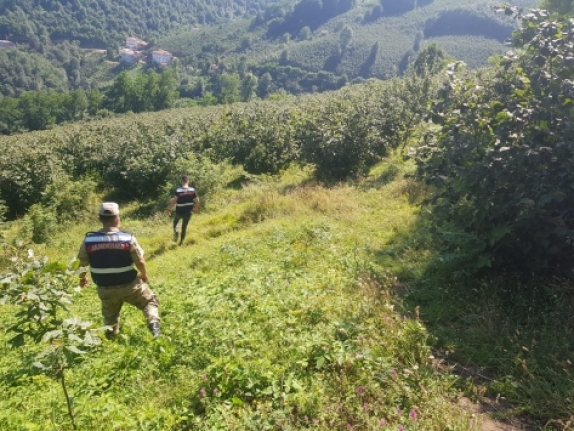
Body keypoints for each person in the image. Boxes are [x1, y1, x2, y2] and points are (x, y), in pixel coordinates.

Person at [77, 202, 160, 339]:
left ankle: (111, 338)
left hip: (105, 288)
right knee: (148, 302)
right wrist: (144, 275)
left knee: (110, 317)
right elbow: (139, 261)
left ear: (100, 219)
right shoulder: (127, 238)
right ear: (117, 219)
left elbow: (81, 263)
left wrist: (82, 279)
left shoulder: (89, 240)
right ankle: (155, 329)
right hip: (130, 285)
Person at [168, 175, 200, 245]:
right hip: (188, 212)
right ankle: (181, 242)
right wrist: (196, 208)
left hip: (179, 211)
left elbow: (174, 201)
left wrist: (169, 209)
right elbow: (197, 201)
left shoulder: (178, 190)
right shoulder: (192, 190)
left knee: (175, 223)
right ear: (188, 181)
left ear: (181, 181)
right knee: (184, 227)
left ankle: (176, 233)